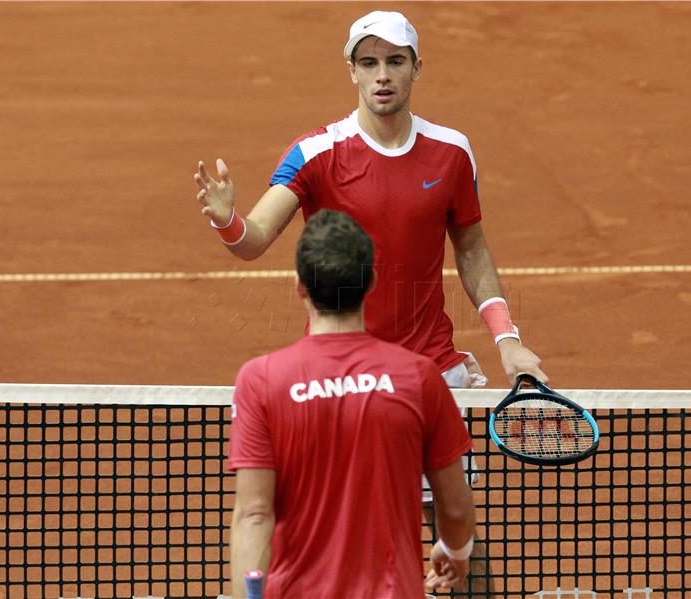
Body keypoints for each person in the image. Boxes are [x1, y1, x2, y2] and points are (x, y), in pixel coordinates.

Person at [193, 9, 548, 390]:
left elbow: (472, 249)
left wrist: (507, 339)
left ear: (416, 68)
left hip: (431, 371)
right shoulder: (315, 153)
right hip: (340, 376)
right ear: (352, 71)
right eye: (369, 62)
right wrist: (226, 219)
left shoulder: (452, 153)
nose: (382, 75)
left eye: (395, 61)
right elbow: (253, 240)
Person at [228, 209, 476, 599]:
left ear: (300, 286)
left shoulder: (261, 381)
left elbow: (254, 514)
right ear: (371, 282)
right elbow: (457, 509)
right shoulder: (419, 378)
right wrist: (455, 551)